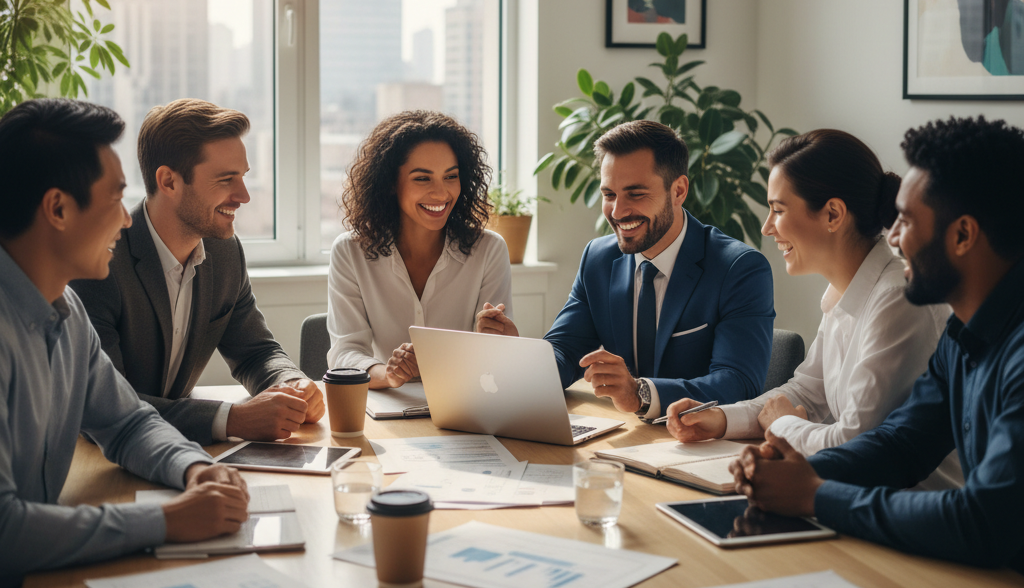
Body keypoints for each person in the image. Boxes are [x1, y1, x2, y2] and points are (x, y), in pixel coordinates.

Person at [0, 99, 250, 588]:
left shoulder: (66, 311)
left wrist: (193, 469)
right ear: (58, 209)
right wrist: (166, 521)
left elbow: (128, 422)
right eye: (115, 198)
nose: (126, 218)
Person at [730, 116, 1024, 571]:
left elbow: (985, 520)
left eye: (906, 220)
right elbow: (900, 445)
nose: (893, 236)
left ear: (963, 235)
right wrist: (790, 470)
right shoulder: (961, 335)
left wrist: (816, 494)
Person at [665, 129, 960, 487]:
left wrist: (781, 424)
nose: (767, 227)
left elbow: (854, 444)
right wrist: (720, 419)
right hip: (853, 495)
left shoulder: (897, 299)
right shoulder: (845, 289)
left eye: (778, 210)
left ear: (833, 214)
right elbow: (807, 392)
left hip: (906, 509)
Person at [478, 120, 775, 418]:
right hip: (626, 433)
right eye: (609, 195)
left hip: (701, 438)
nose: (618, 212)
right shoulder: (598, 259)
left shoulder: (739, 268)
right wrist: (519, 358)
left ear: (678, 191)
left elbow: (739, 383)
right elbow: (566, 351)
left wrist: (640, 393)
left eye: (636, 194)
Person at [71, 99, 323, 446]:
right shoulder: (101, 262)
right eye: (226, 179)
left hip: (180, 448)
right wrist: (231, 419)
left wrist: (291, 384)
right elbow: (107, 406)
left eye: (243, 177)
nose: (244, 196)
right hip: (99, 455)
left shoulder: (224, 251)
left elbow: (256, 352)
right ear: (169, 181)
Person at [327, 110, 513, 388]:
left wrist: (501, 342)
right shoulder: (350, 252)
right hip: (388, 403)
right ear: (391, 183)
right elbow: (345, 352)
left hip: (464, 400)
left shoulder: (489, 250)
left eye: (451, 176)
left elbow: (497, 357)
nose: (441, 193)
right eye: (423, 178)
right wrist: (389, 374)